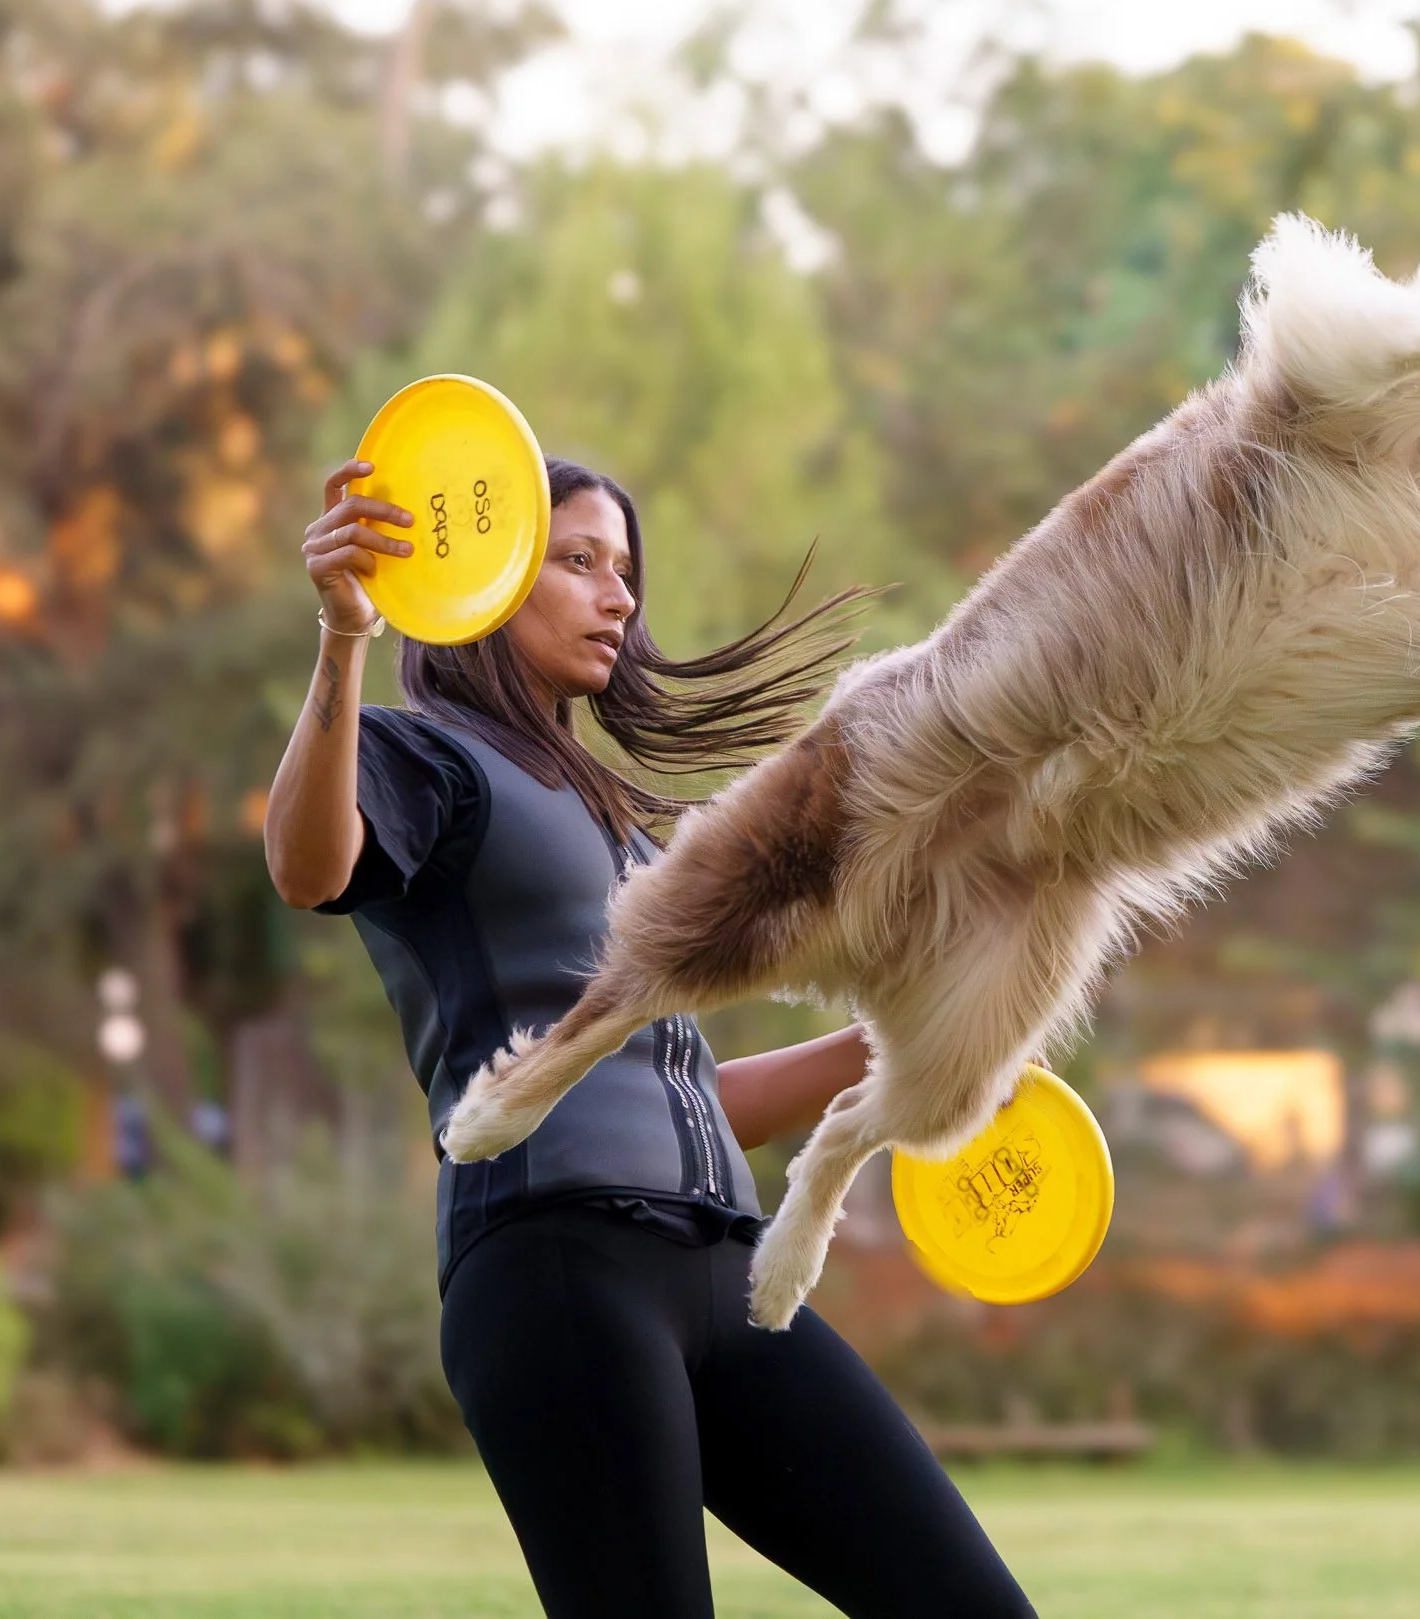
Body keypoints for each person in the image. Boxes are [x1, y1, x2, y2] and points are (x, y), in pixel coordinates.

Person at [264, 456, 1035, 1619]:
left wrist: (904, 1053)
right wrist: (341, 638)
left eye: (625, 570)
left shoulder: (613, 819)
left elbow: (677, 1095)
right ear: (482, 583)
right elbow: (305, 866)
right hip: (560, 1270)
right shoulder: (422, 759)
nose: (618, 597)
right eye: (578, 563)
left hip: (730, 1276)